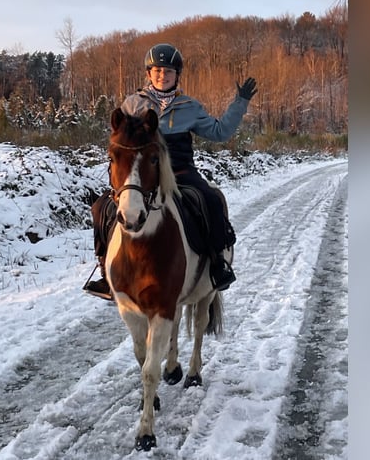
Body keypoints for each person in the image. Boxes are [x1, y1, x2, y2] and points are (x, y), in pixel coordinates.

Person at [84, 43, 258, 300]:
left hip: (180, 172)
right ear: (148, 74)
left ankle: (217, 264)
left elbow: (220, 132)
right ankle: (105, 270)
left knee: (210, 200)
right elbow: (119, 138)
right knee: (101, 207)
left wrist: (240, 103)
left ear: (177, 75)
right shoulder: (133, 104)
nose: (162, 76)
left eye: (168, 71)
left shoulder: (190, 106)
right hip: (142, 175)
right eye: (156, 71)